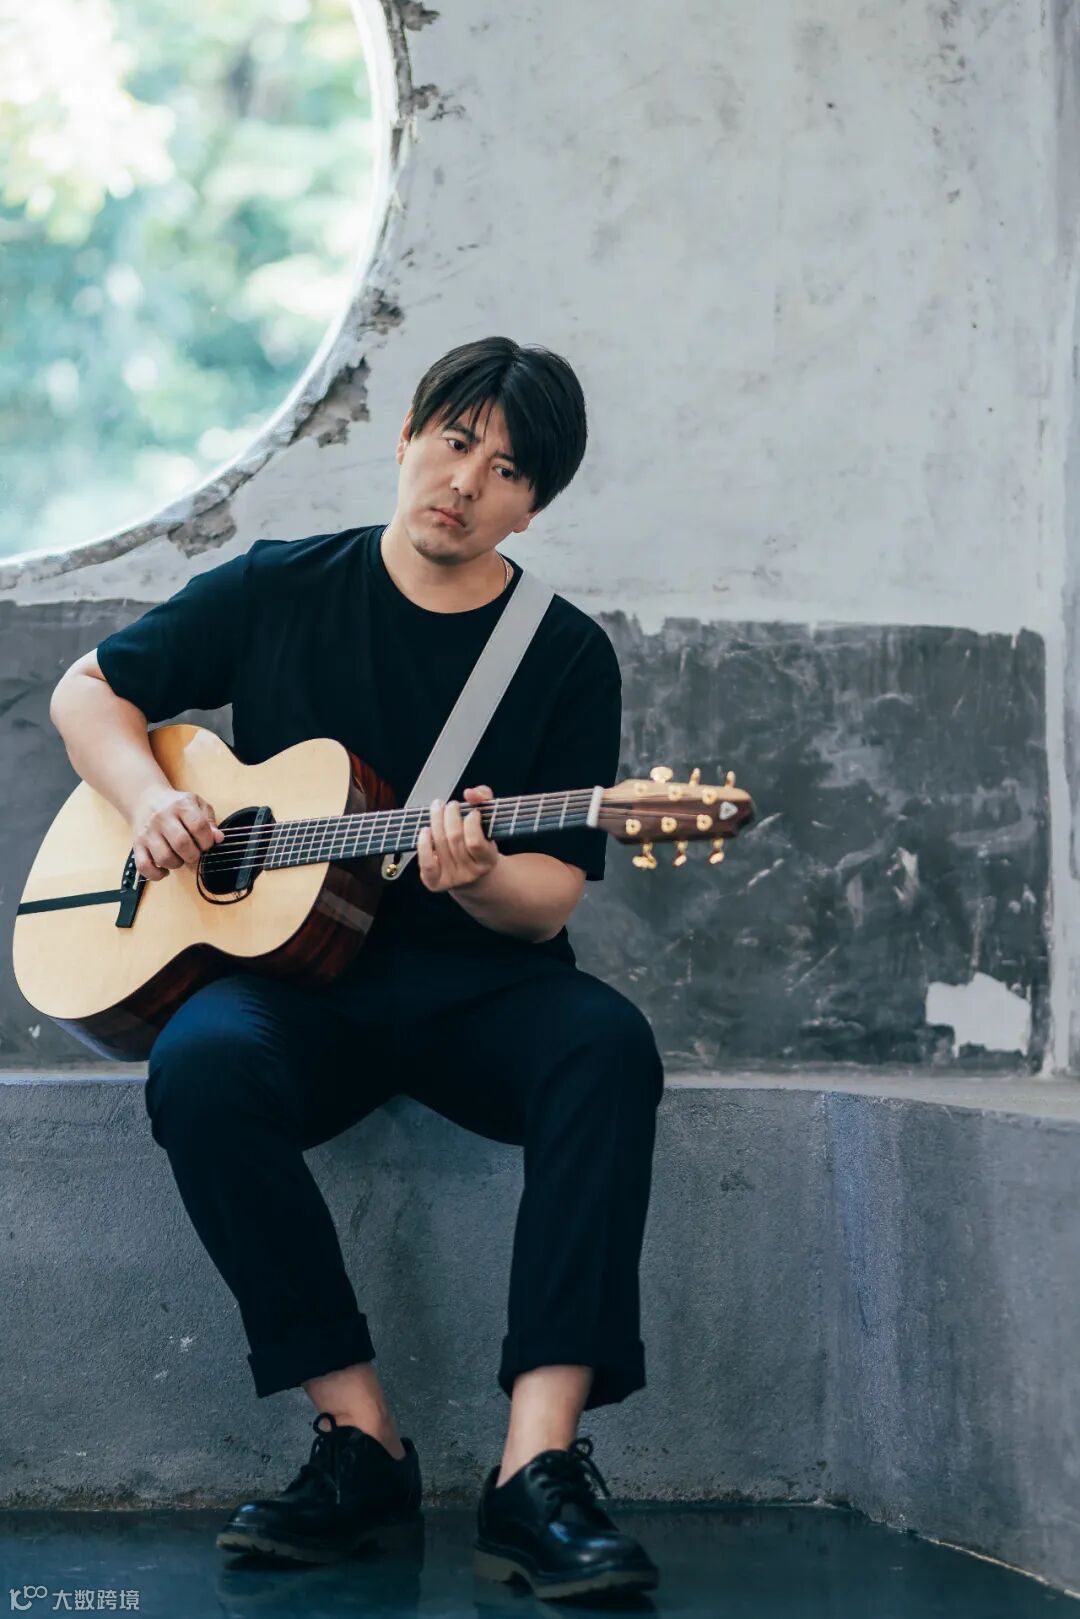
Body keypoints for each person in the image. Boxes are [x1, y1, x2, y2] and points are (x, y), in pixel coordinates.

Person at [48, 336, 664, 1600]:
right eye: (455, 440)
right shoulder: (281, 587)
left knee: (607, 1046)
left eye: (506, 470)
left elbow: (551, 897)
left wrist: (477, 875)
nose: (466, 481)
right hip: (301, 984)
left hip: (479, 989)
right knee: (201, 1062)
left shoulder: (561, 652)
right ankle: (359, 1438)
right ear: (408, 436)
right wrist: (153, 800)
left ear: (532, 505)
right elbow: (88, 692)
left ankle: (538, 1466)